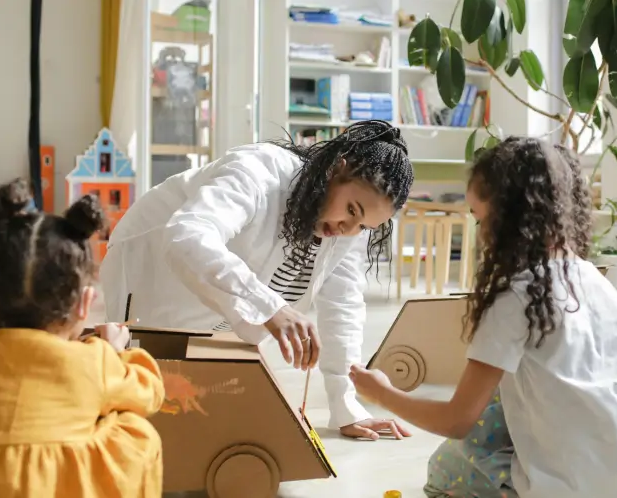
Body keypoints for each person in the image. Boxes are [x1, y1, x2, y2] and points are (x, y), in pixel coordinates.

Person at [349, 137, 617, 497]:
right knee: (501, 398)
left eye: (480, 218)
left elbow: (456, 421)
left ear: (508, 218)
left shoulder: (519, 297)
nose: (480, 234)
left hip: (560, 488)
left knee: (444, 471)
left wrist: (383, 393)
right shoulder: (597, 281)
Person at [100, 120, 414, 439]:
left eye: (363, 226)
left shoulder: (348, 230)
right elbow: (188, 236)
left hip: (218, 300)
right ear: (336, 169)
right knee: (143, 394)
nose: (348, 228)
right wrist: (268, 306)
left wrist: (346, 406)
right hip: (148, 265)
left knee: (193, 408)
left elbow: (343, 303)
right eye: (351, 210)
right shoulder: (258, 171)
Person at [0, 179, 164, 497]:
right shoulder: (95, 361)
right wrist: (115, 352)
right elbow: (150, 392)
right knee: (139, 431)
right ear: (84, 304)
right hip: (57, 485)